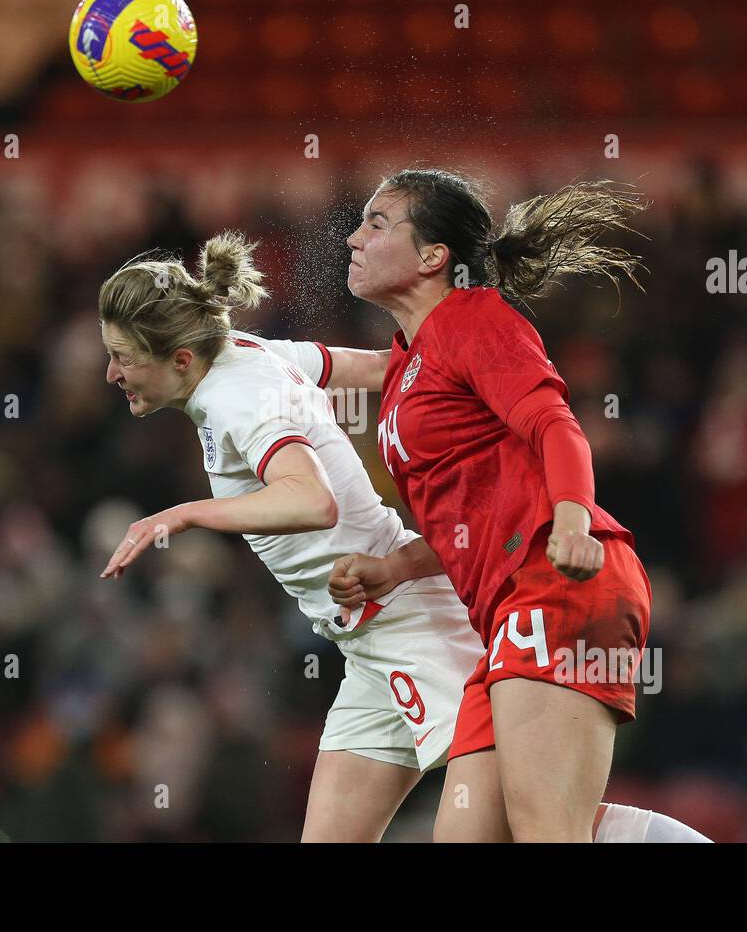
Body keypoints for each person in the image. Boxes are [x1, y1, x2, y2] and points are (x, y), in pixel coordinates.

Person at [98, 229, 708, 843]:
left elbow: (311, 499)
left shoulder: (235, 398)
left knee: (542, 824)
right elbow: (385, 368)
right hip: (366, 641)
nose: (110, 372)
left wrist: (181, 515)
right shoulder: (247, 352)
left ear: (179, 360)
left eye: (123, 356)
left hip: (412, 626)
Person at [332, 169, 705, 842]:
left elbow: (556, 425)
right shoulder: (405, 366)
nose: (355, 238)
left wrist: (571, 518)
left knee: (547, 832)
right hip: (508, 614)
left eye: (378, 223)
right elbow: (471, 519)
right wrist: (399, 569)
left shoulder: (472, 319)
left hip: (557, 584)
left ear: (433, 257)